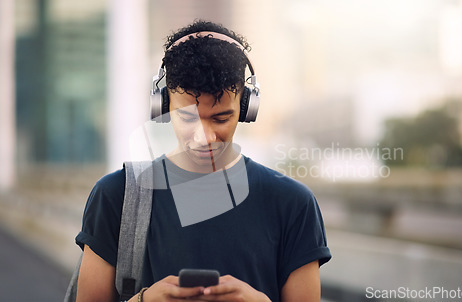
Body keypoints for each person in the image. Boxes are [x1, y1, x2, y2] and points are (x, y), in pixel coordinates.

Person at [75, 20, 331, 302]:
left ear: (247, 109)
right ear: (162, 106)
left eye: (221, 118)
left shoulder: (293, 203)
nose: (204, 137)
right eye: (187, 117)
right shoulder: (116, 196)